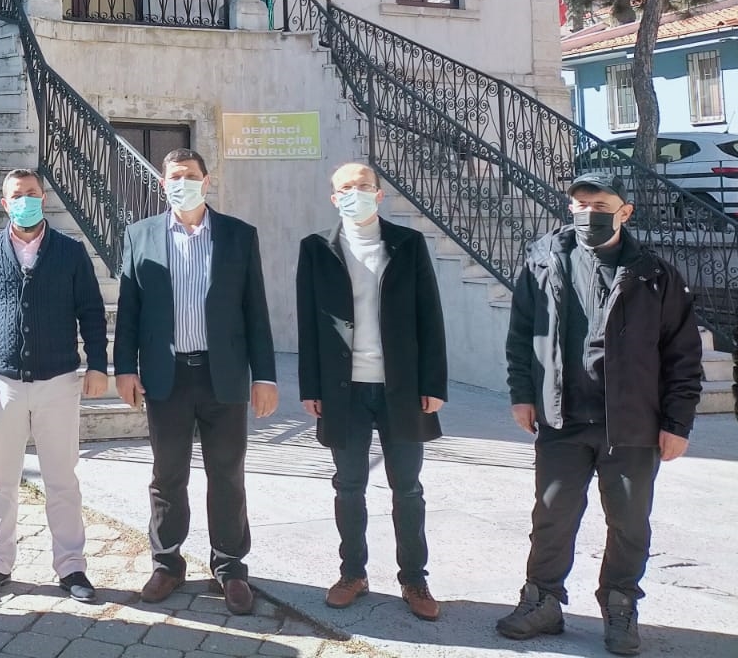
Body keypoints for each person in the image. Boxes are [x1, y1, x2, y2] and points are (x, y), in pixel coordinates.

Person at [498, 172, 703, 656]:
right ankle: (542, 601)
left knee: (629, 523)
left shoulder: (655, 274)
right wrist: (522, 394)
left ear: (624, 212)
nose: (588, 212)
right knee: (552, 516)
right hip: (563, 418)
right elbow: (522, 333)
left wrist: (677, 423)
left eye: (601, 205)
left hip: (632, 424)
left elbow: (682, 355)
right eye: (580, 203)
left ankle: (620, 605)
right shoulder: (544, 259)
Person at [114, 148, 277, 613]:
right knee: (168, 475)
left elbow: (255, 310)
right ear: (163, 184)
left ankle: (230, 567)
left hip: (222, 375)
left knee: (227, 474)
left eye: (190, 175)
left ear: (207, 182)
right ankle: (167, 563)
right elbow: (129, 310)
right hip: (165, 376)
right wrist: (125, 368)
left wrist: (264, 376)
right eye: (174, 177)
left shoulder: (238, 236)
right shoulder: (140, 235)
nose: (181, 183)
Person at [296, 162, 447, 622]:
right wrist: (310, 386)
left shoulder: (407, 244)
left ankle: (414, 579)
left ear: (379, 195)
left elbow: (429, 314)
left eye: (363, 186)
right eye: (345, 188)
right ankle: (352, 574)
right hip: (343, 390)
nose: (354, 193)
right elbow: (308, 322)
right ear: (333, 198)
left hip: (402, 387)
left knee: (407, 487)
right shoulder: (316, 248)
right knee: (348, 486)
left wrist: (433, 383)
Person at [0, 168, 109, 604]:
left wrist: (98, 364)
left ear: (44, 198)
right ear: (5, 204)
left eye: (32, 193)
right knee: (0, 479)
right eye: (17, 195)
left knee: (62, 480)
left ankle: (71, 566)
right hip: (2, 383)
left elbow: (91, 312)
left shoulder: (70, 252)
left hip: (58, 381)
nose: (26, 200)